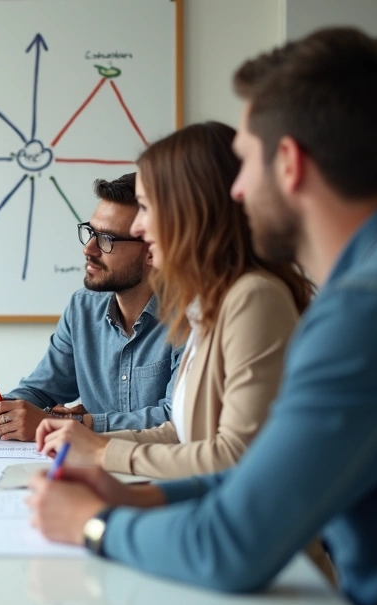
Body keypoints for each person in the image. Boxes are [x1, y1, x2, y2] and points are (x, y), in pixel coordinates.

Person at [26, 28, 377, 605]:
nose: (235, 188)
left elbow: (234, 542)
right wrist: (136, 499)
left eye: (247, 161)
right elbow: (262, 478)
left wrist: (93, 524)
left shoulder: (373, 312)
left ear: (289, 164)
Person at [36, 122, 312, 478]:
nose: (138, 229)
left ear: (191, 213)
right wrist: (83, 442)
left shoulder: (253, 298)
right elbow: (183, 434)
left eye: (147, 209)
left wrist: (103, 450)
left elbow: (238, 457)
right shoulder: (208, 303)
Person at [0, 173, 180, 441]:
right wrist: (5, 410)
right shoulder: (82, 308)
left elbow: (177, 418)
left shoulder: (191, 317)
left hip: (159, 472)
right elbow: (41, 389)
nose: (89, 249)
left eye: (107, 239)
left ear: (151, 249)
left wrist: (73, 423)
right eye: (91, 232)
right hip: (91, 468)